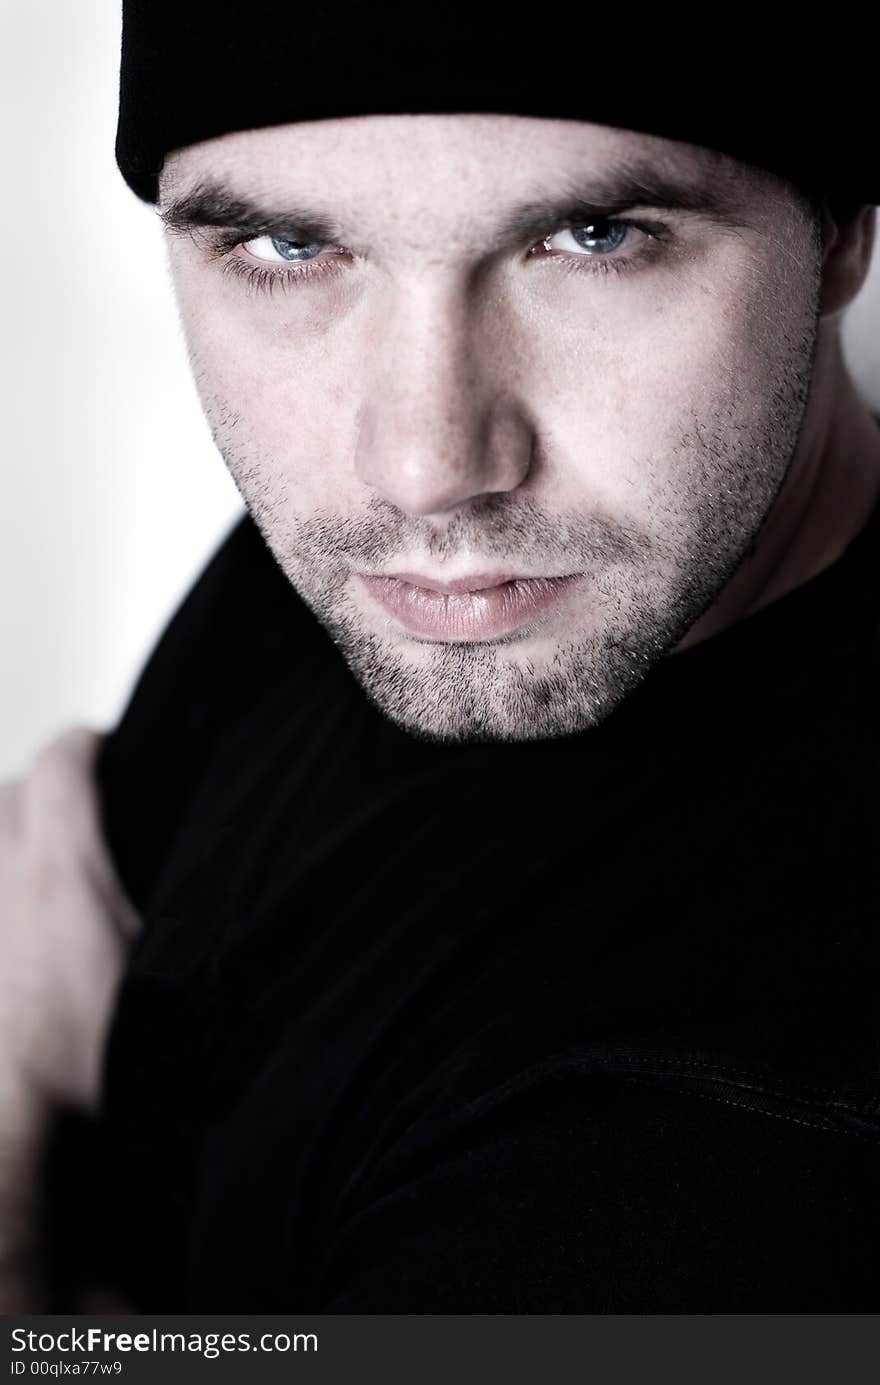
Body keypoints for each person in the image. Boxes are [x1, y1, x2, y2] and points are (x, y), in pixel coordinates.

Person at [1, 6, 879, 1310]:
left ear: (844, 229)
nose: (427, 467)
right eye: (291, 244)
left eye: (594, 237)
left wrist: (16, 1061)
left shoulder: (717, 1172)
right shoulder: (408, 574)